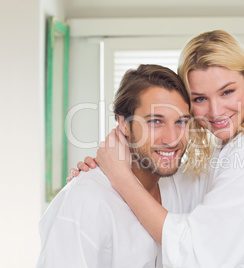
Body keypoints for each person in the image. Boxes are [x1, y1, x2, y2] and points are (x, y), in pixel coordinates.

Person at [71, 30, 244, 267]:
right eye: (199, 99)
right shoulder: (221, 153)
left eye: (227, 92)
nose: (216, 111)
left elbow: (197, 255)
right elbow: (165, 196)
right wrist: (100, 176)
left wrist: (120, 177)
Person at [37, 64, 197, 268]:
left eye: (181, 122)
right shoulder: (84, 201)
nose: (172, 139)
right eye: (155, 121)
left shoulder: (188, 186)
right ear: (123, 123)